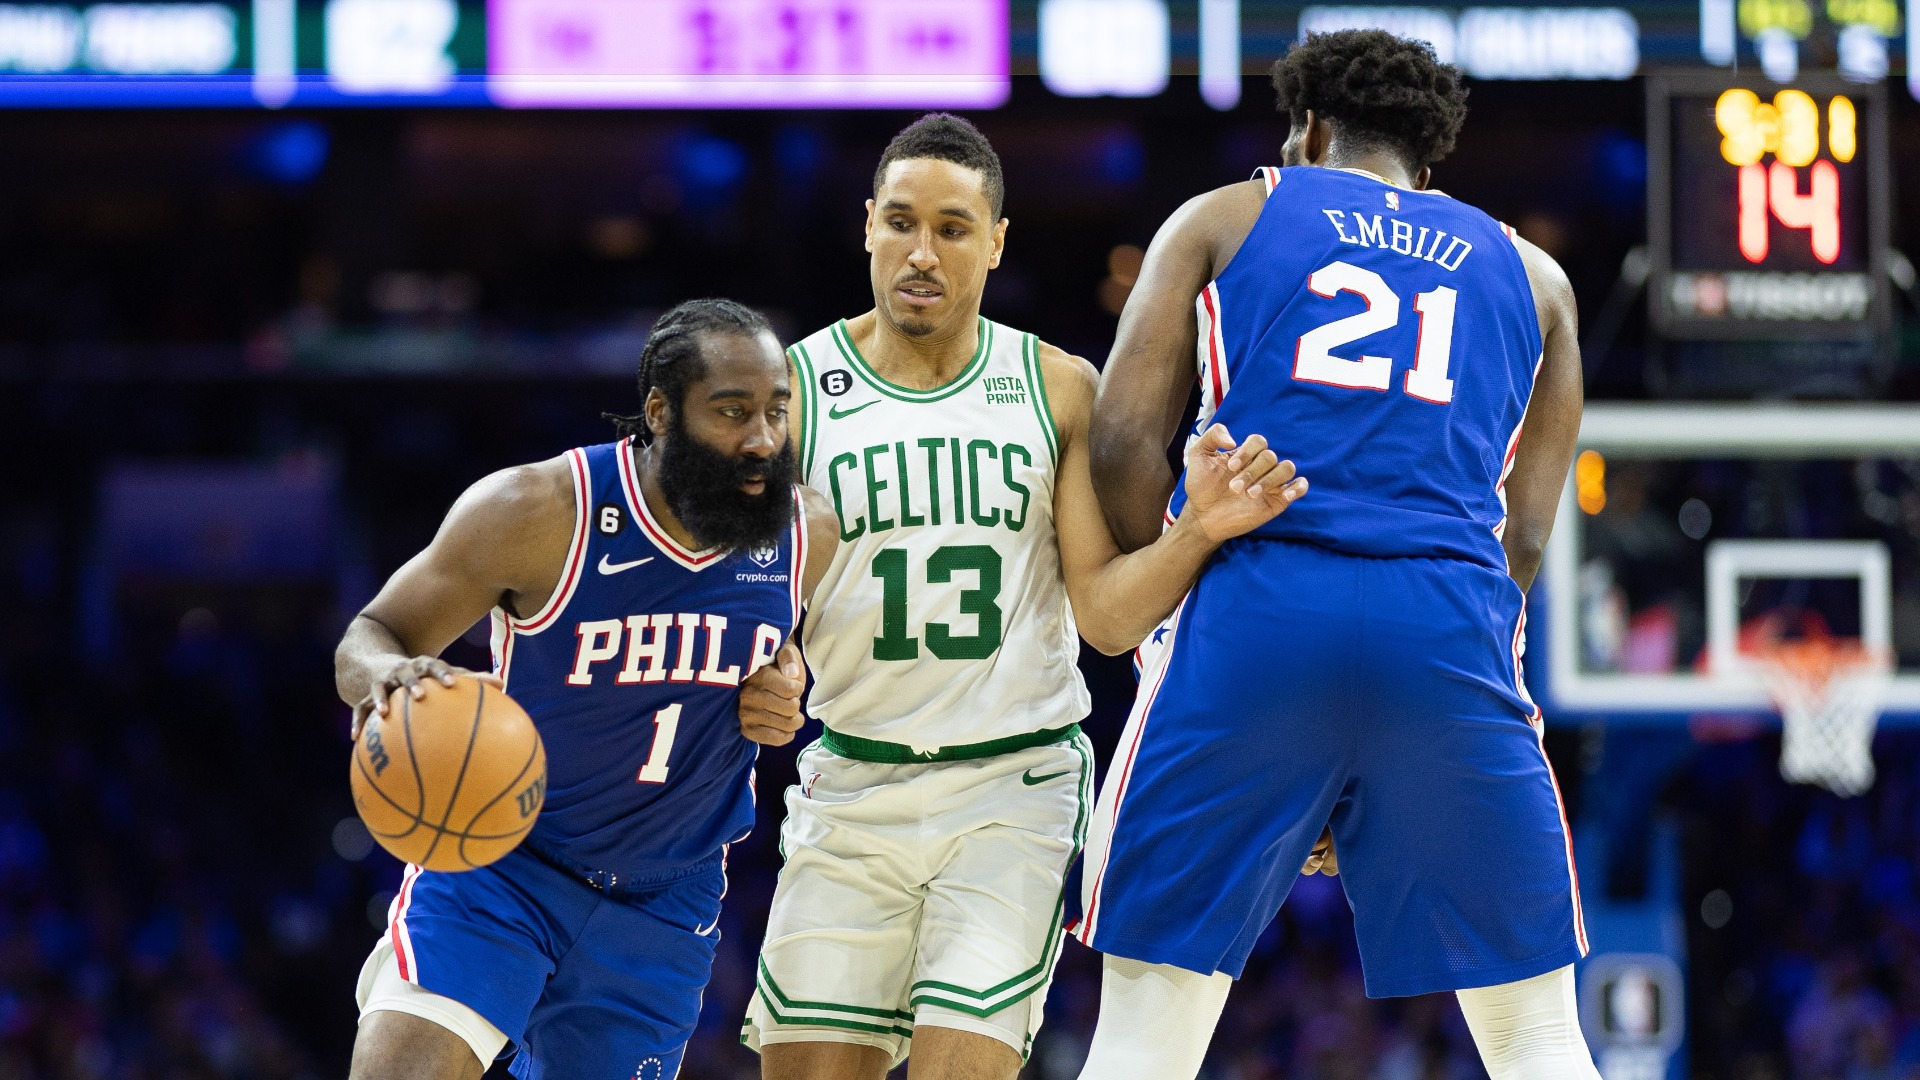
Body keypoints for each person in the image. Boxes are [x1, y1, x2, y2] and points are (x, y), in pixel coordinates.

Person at [734, 113, 1307, 1080]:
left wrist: (1198, 530)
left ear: (996, 242)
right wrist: (764, 666)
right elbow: (749, 597)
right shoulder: (792, 391)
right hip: (852, 782)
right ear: (867, 225)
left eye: (952, 228)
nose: (922, 252)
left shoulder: (1055, 386)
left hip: (1012, 788)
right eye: (901, 223)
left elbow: (1107, 621)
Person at [1070, 31, 1596, 1080]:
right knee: (1536, 1036)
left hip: (1259, 605)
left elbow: (1122, 442)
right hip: (1445, 622)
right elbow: (1529, 534)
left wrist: (1166, 589)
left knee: (1144, 1039)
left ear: (1309, 131)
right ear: (1427, 162)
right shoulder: (1537, 278)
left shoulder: (1226, 215)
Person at [334, 299, 839, 1080]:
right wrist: (386, 676)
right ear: (661, 413)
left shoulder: (806, 534)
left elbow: (774, 656)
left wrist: (785, 682)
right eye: (732, 412)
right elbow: (371, 633)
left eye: (777, 411)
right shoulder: (536, 512)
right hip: (503, 864)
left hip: (664, 902)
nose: (762, 440)